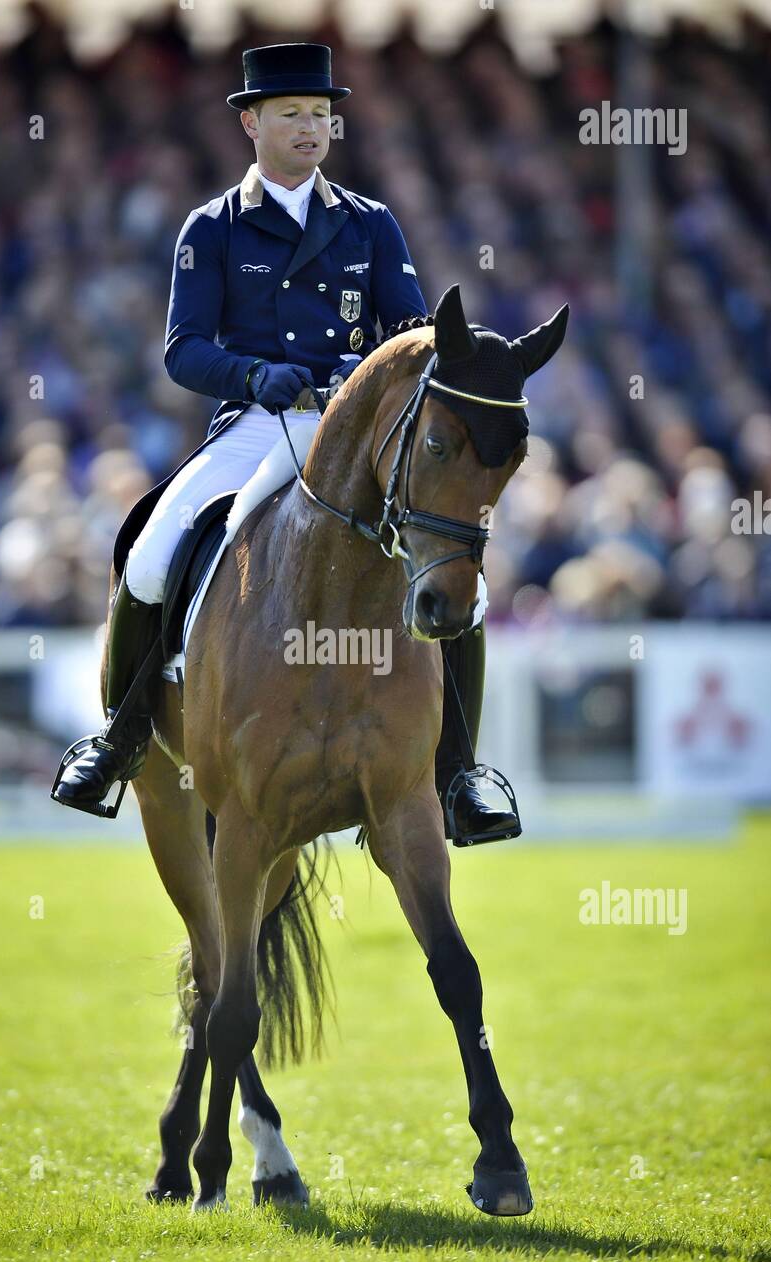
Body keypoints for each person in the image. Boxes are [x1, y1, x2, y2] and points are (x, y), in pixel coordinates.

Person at [52, 42, 518, 844]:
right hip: (257, 423)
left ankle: (460, 774)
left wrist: (364, 366)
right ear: (251, 122)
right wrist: (252, 375)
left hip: (353, 427)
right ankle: (120, 737)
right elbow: (182, 349)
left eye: (321, 115)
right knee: (154, 549)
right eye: (292, 114)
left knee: (460, 581)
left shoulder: (370, 224)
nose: (310, 128)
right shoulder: (212, 228)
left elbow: (409, 328)